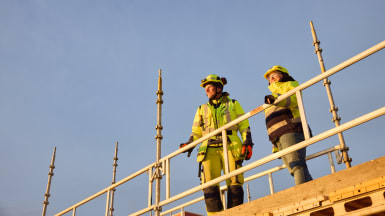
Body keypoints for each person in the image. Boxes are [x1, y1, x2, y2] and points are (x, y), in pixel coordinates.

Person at [180, 74, 254, 215]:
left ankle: (235, 213)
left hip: (231, 147)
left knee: (235, 182)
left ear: (219, 88)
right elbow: (196, 131)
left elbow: (244, 125)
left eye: (210, 87)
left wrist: (248, 141)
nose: (206, 90)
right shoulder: (201, 109)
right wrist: (190, 143)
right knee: (209, 185)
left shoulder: (233, 104)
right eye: (205, 88)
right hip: (209, 150)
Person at [263, 65, 313, 185]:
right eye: (270, 77)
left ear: (283, 76)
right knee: (293, 167)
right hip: (279, 136)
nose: (272, 79)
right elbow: (272, 123)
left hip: (291, 129)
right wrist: (275, 144)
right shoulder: (271, 98)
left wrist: (277, 99)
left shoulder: (290, 85)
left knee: (296, 164)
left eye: (275, 75)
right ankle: (311, 187)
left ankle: (302, 194)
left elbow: (293, 99)